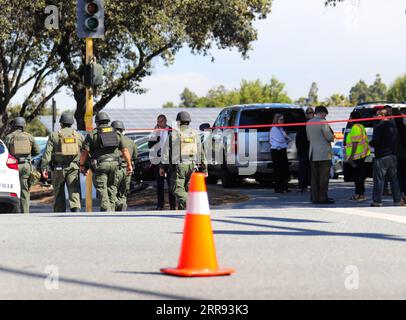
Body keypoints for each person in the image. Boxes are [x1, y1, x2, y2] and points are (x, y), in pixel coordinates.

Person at [80, 112, 133, 212]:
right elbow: (125, 150)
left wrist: (82, 165)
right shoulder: (116, 133)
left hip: (100, 165)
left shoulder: (92, 134)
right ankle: (112, 210)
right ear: (108, 121)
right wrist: (129, 165)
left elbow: (84, 152)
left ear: (97, 122)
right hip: (115, 165)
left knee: (102, 188)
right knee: (112, 188)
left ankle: (106, 209)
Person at [160, 111, 207, 210]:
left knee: (175, 188)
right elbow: (201, 152)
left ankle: (191, 203)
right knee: (186, 189)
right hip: (192, 165)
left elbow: (166, 152)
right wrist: (205, 168)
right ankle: (183, 210)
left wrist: (162, 167)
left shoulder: (174, 134)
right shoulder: (195, 134)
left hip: (179, 166)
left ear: (178, 122)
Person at [41, 112, 84, 212]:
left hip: (58, 168)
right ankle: (75, 209)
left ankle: (59, 213)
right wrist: (84, 165)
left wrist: (44, 168)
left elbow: (47, 154)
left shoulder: (54, 135)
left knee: (58, 192)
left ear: (61, 123)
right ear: (72, 123)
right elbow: (85, 151)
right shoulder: (78, 136)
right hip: (73, 167)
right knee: (74, 190)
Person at [4, 117, 40, 213]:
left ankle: (12, 211)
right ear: (23, 126)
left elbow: (5, 153)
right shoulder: (29, 137)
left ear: (14, 126)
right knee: (25, 190)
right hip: (26, 166)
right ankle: (25, 213)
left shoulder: (9, 137)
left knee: (12, 189)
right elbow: (37, 151)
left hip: (12, 167)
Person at [369, 106, 403, 206]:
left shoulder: (379, 127)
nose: (376, 116)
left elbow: (375, 142)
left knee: (379, 180)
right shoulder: (394, 126)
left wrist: (370, 143)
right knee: (394, 180)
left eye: (377, 114)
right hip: (392, 155)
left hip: (381, 156)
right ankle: (397, 200)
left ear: (382, 115)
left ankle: (377, 201)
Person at [306, 106, 335, 204]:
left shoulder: (309, 123)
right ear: (322, 113)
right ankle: (322, 198)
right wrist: (332, 136)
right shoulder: (323, 122)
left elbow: (309, 138)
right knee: (323, 177)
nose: (325, 117)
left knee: (314, 178)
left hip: (312, 153)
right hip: (324, 154)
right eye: (325, 115)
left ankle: (314, 197)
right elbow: (329, 137)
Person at [148, 115, 176, 210]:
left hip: (169, 160)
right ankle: (160, 205)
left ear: (165, 121)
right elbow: (150, 145)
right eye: (158, 122)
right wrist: (154, 134)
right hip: (159, 160)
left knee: (171, 183)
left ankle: (172, 205)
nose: (159, 124)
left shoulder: (171, 131)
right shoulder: (157, 132)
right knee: (159, 184)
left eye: (161, 121)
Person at [111, 120, 137, 211]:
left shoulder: (109, 140)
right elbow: (134, 157)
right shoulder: (130, 141)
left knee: (112, 191)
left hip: (115, 168)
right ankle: (122, 206)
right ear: (122, 130)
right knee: (123, 193)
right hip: (127, 169)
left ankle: (117, 205)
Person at [345, 110, 371, 201]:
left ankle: (358, 195)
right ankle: (361, 194)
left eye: (351, 117)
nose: (349, 119)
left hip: (356, 156)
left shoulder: (355, 127)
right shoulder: (361, 126)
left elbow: (355, 143)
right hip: (361, 155)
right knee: (360, 176)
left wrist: (351, 157)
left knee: (358, 177)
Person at [269, 113, 291, 193]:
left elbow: (287, 138)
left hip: (282, 150)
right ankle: (278, 188)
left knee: (284, 169)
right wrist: (286, 138)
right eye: (281, 120)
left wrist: (286, 138)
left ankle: (284, 187)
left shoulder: (280, 128)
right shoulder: (274, 128)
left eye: (283, 120)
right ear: (276, 120)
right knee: (278, 170)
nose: (282, 121)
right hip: (277, 151)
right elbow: (281, 139)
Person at [295, 107, 314, 192]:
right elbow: (298, 138)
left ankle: (312, 185)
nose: (310, 114)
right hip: (304, 150)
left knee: (312, 169)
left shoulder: (316, 123)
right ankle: (303, 186)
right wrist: (299, 149)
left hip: (313, 150)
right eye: (308, 113)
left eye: (311, 113)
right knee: (303, 169)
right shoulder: (303, 124)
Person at [393, 108, 406, 203]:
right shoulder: (400, 127)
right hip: (400, 155)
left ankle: (402, 195)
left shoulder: (395, 128)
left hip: (400, 155)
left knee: (400, 176)